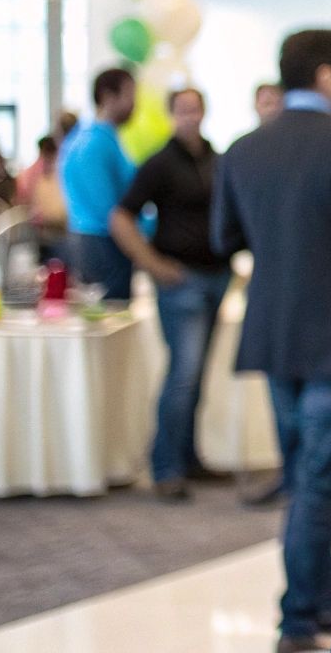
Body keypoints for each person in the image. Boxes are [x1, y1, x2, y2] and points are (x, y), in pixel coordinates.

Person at [214, 30, 331, 653]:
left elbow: (224, 239)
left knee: (305, 474)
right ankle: (297, 618)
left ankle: (320, 591)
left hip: (275, 333)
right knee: (320, 482)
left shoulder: (242, 150)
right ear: (326, 74)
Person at [110, 88, 233, 502]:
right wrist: (152, 264)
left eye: (195, 108)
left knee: (196, 377)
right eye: (182, 110)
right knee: (183, 374)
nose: (190, 116)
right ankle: (166, 467)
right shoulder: (160, 163)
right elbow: (121, 217)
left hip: (216, 276)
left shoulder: (216, 159)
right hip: (181, 281)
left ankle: (188, 458)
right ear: (171, 114)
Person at [60, 68, 138, 299]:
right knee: (112, 315)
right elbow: (108, 209)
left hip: (93, 240)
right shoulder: (95, 143)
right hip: (103, 243)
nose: (135, 103)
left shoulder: (85, 138)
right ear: (107, 96)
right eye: (129, 95)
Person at [16, 135, 68, 263]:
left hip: (41, 228)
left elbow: (22, 198)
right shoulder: (49, 173)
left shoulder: (30, 172)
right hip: (49, 229)